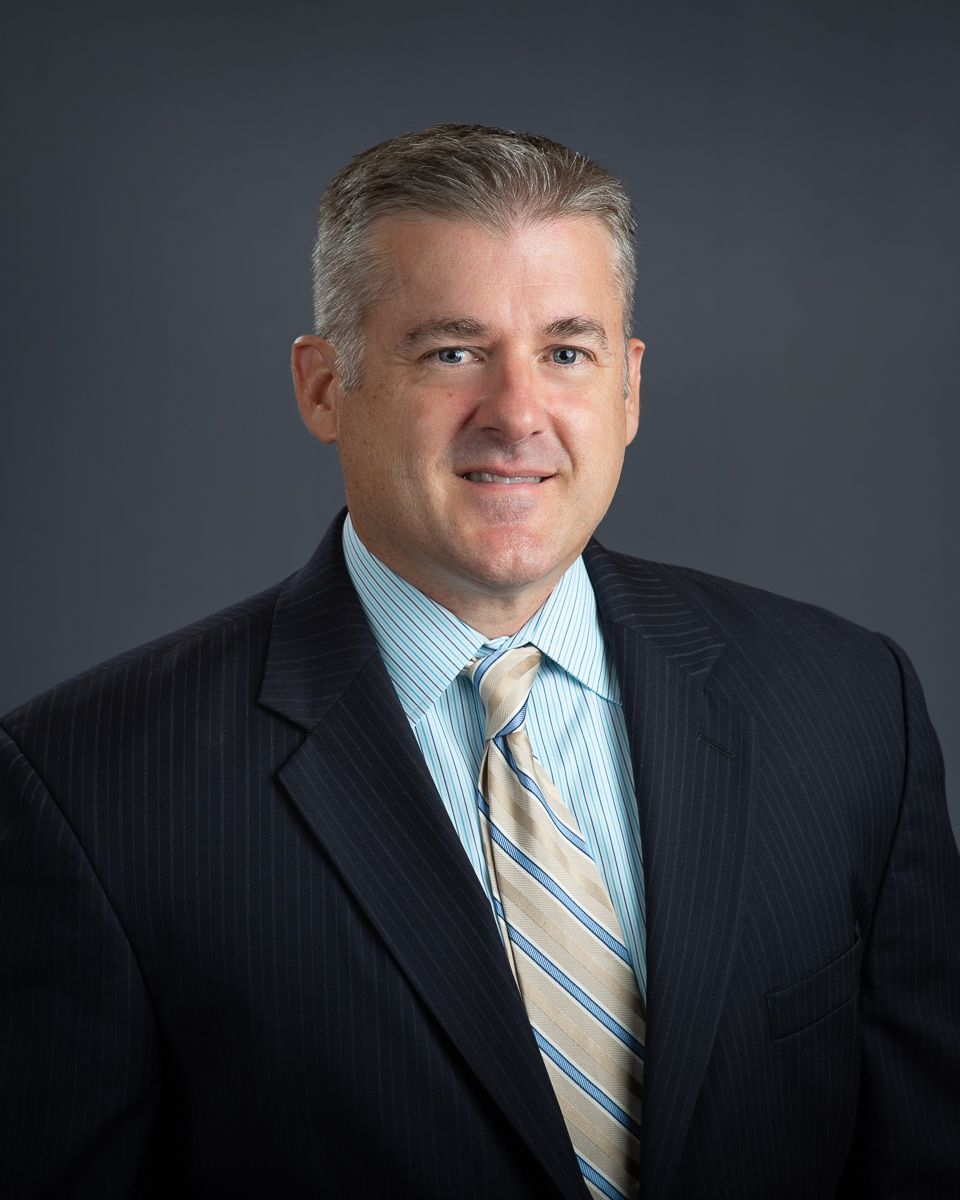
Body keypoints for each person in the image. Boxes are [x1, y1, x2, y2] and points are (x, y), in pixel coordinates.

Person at [1, 124, 957, 1200]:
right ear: (324, 388)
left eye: (565, 352)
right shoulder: (87, 789)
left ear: (628, 388)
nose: (516, 415)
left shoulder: (848, 707)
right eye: (452, 351)